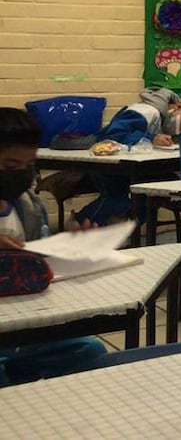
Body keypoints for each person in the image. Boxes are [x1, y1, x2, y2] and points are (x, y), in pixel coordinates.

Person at [0, 107, 107, 386]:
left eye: (28, 166)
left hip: (23, 321)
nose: (21, 175)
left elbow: (39, 262)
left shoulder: (28, 206)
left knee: (89, 351)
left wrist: (70, 250)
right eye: (11, 166)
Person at [74, 88, 181, 226]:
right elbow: (114, 134)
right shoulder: (146, 111)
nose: (179, 131)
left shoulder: (165, 120)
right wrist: (151, 138)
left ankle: (123, 228)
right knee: (117, 199)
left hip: (134, 169)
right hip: (108, 167)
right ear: (179, 107)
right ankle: (77, 225)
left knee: (154, 192)